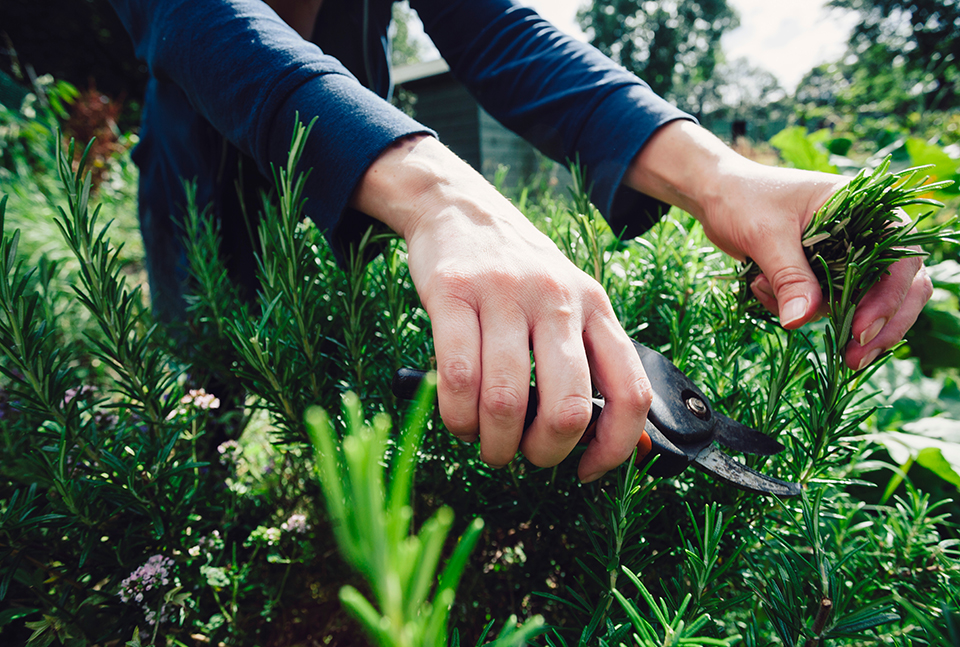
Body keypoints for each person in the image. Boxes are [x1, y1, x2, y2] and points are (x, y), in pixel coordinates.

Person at [107, 0, 932, 483]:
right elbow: (194, 16)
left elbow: (494, 30)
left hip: (365, 206)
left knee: (350, 393)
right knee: (203, 405)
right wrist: (440, 194)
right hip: (206, 191)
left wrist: (717, 175)